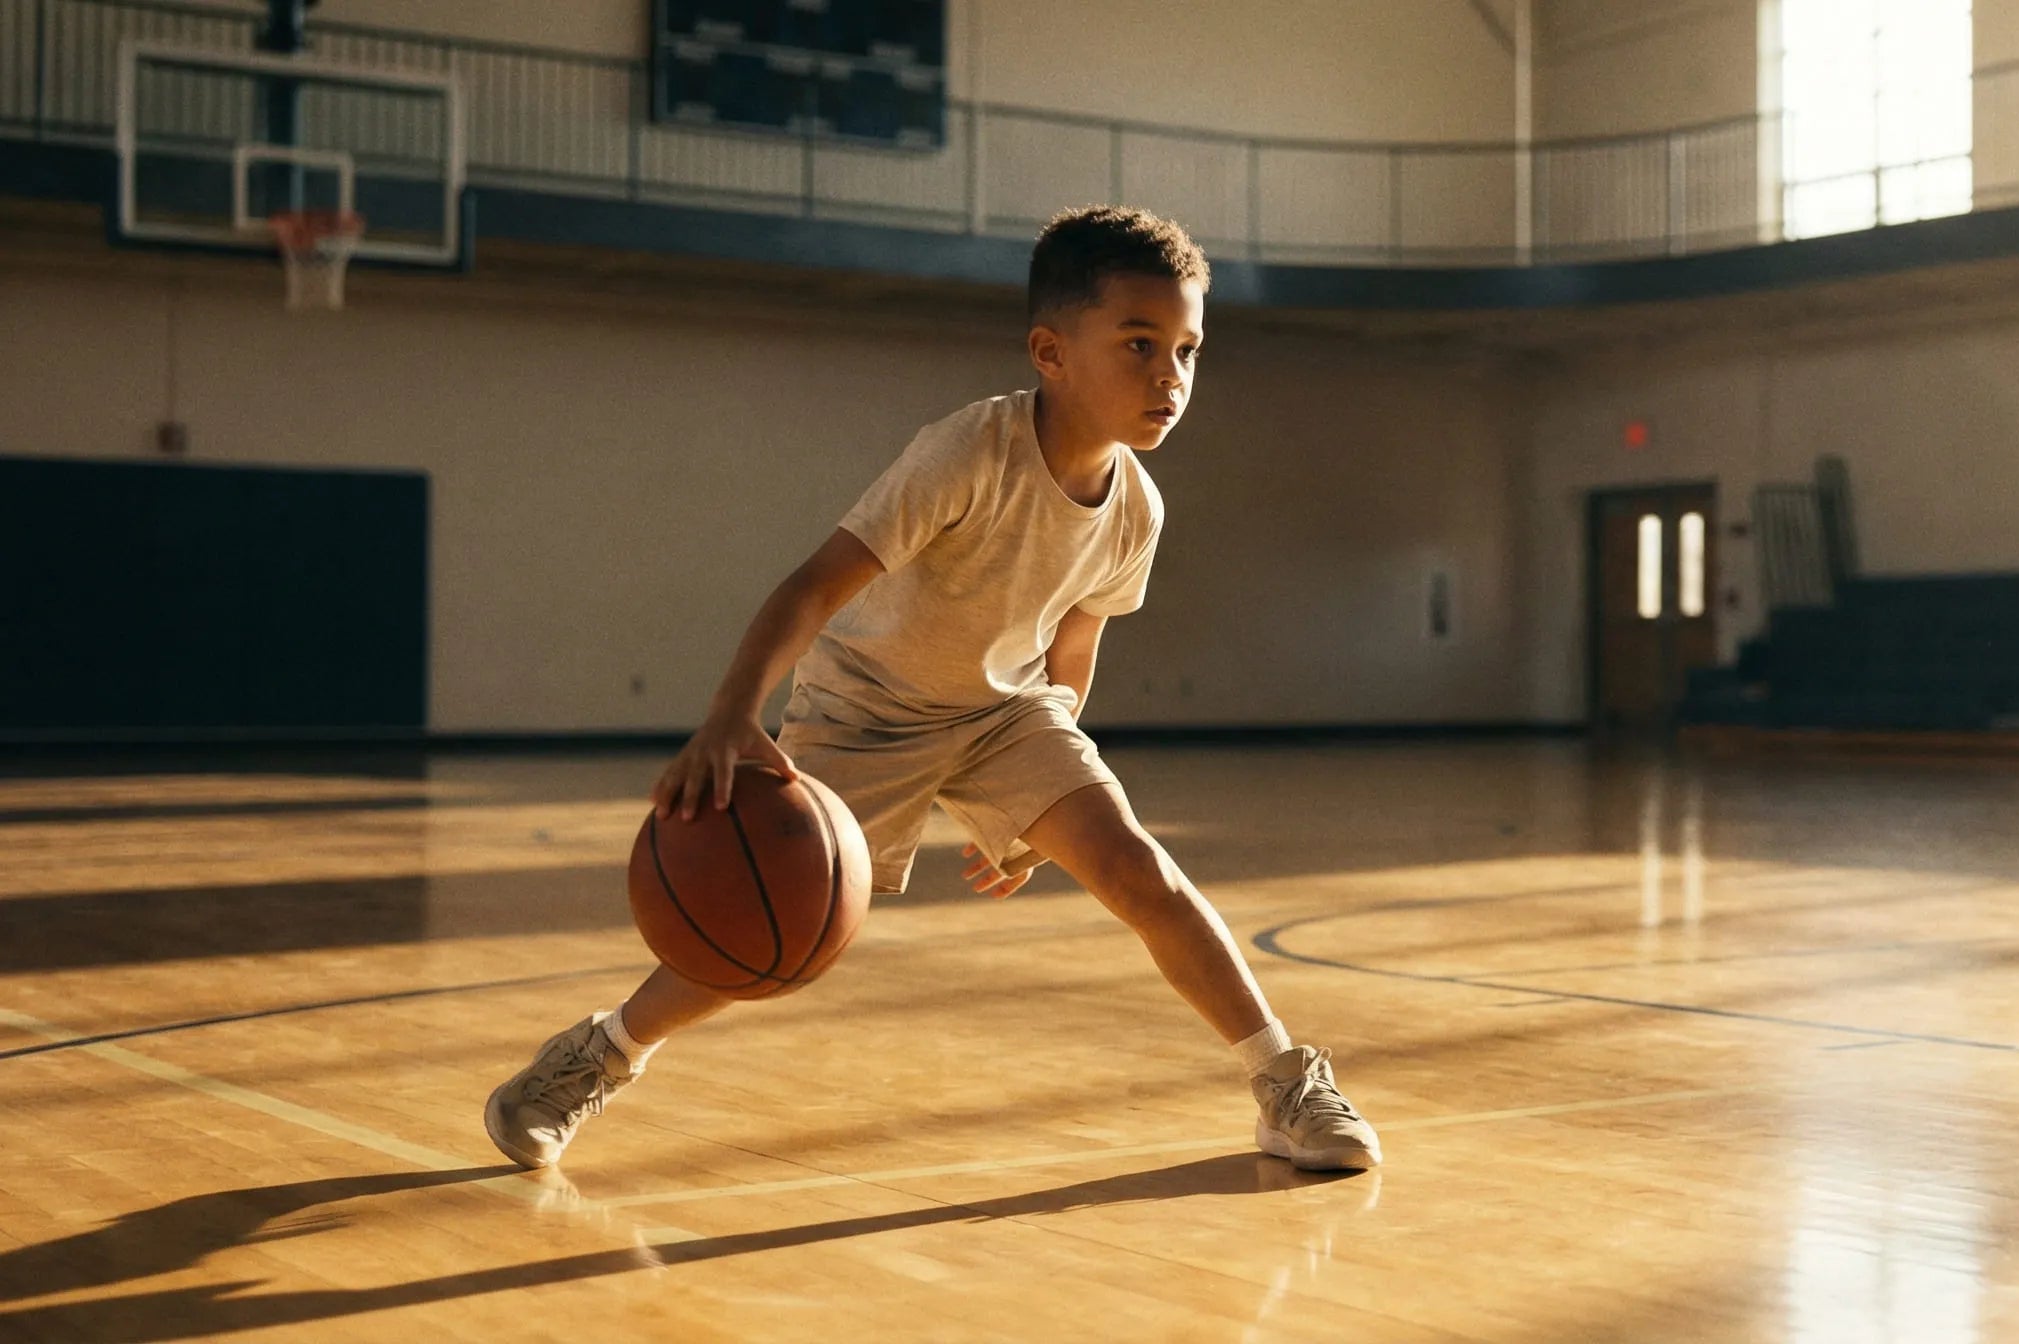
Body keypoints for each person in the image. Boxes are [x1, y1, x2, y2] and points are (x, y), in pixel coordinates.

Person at [483, 206, 1379, 1173]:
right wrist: (731, 714)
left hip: (1005, 714)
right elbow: (815, 585)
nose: (1171, 376)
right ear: (1051, 351)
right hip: (867, 709)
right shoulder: (966, 454)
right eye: (1138, 343)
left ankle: (1286, 1084)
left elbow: (1074, 641)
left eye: (1188, 350)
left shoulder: (1138, 510)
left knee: (1138, 869)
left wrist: (1036, 810)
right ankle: (593, 1057)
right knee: (764, 934)